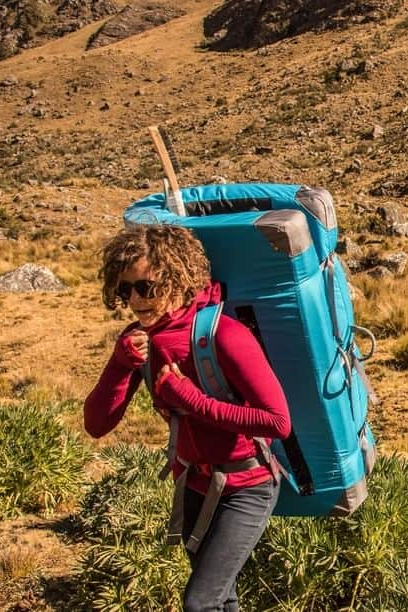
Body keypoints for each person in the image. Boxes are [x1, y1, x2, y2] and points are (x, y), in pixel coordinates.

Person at [84, 223, 291, 612]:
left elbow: (278, 422)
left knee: (200, 602)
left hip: (247, 485)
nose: (135, 300)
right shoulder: (140, 343)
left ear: (178, 279)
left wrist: (193, 400)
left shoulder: (223, 335)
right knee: (222, 597)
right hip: (194, 484)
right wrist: (118, 364)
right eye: (124, 289)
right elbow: (96, 425)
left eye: (146, 288)